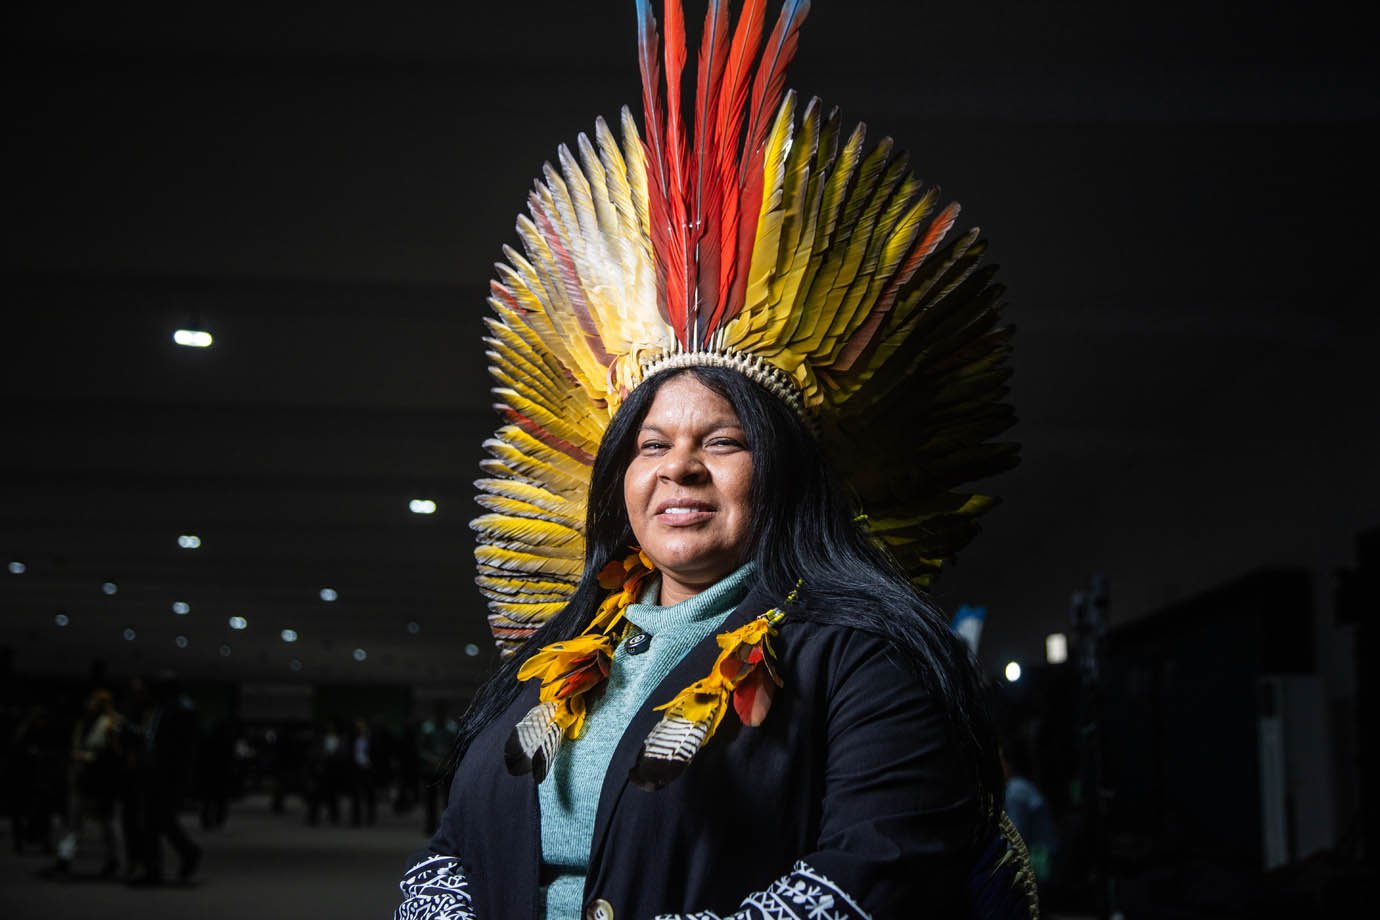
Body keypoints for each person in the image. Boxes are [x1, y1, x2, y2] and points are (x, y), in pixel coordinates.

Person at [396, 2, 1033, 917]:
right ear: (619, 476)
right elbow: (450, 850)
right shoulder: (557, 657)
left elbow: (879, 873)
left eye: (721, 442)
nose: (679, 470)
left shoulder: (864, 662)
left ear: (784, 475)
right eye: (653, 445)